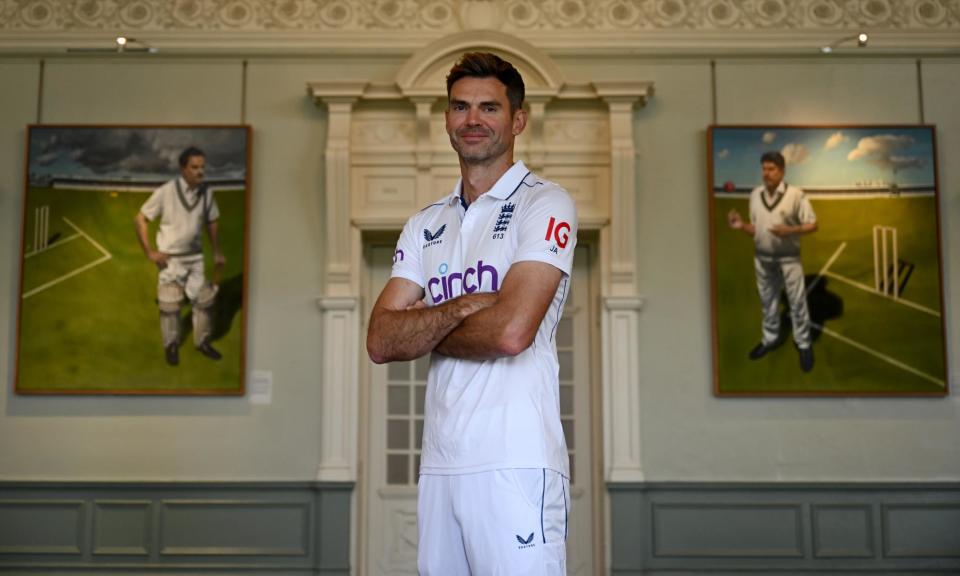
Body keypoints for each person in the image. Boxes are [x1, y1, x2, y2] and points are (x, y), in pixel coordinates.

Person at [366, 52, 577, 575]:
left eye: (489, 107)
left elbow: (510, 332)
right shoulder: (425, 223)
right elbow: (379, 340)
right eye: (460, 107)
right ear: (446, 119)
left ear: (518, 120)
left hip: (516, 459)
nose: (473, 119)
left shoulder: (545, 204)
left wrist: (421, 324)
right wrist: (460, 307)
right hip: (441, 464)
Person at [728, 151, 818, 372]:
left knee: (796, 303)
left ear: (782, 171)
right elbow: (756, 230)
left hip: (789, 259)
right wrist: (741, 226)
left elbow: (813, 225)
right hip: (762, 259)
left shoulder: (796, 194)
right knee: (767, 302)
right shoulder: (754, 194)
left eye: (771, 169)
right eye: (763, 169)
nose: (766, 174)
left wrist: (791, 229)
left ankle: (804, 343)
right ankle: (769, 339)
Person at [135, 146, 225, 366]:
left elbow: (212, 221)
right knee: (170, 305)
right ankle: (171, 344)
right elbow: (140, 219)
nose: (200, 172)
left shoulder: (207, 192)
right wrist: (150, 252)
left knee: (203, 302)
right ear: (182, 168)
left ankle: (202, 342)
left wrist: (216, 251)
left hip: (195, 258)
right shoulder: (166, 191)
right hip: (170, 259)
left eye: (202, 167)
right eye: (194, 167)